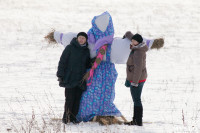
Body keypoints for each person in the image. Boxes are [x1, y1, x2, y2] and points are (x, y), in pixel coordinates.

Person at [56, 32, 91, 124]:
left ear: (86, 40)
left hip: (80, 80)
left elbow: (87, 64)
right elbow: (62, 61)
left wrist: (93, 61)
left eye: (83, 38)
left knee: (77, 100)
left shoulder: (86, 51)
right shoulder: (70, 48)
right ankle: (66, 118)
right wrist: (60, 75)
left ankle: (73, 118)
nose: (81, 39)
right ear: (77, 38)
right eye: (80, 37)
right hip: (70, 78)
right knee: (69, 99)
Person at [124, 33, 148, 126]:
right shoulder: (138, 47)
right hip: (139, 78)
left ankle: (137, 121)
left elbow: (138, 68)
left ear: (139, 42)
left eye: (134, 41)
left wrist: (134, 82)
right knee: (136, 99)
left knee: (136, 100)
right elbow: (131, 36)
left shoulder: (138, 52)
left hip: (137, 79)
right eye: (132, 40)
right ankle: (136, 120)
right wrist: (127, 34)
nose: (132, 42)